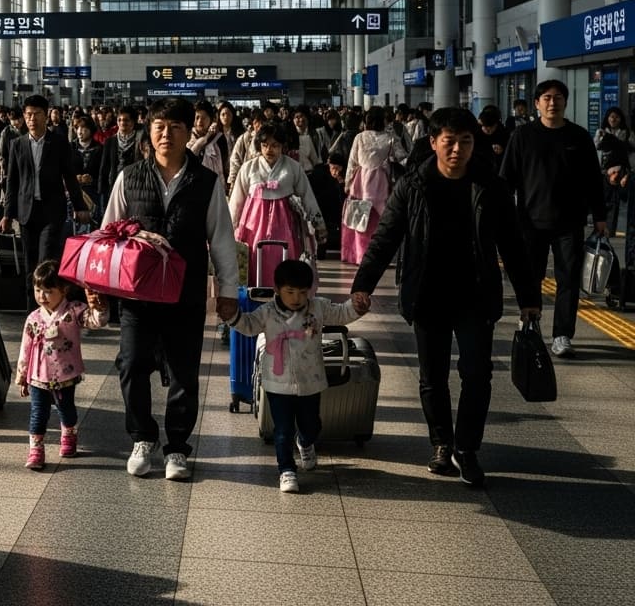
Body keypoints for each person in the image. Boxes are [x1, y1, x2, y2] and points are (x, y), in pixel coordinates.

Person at [353, 107, 541, 486]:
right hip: (428, 293)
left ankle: (467, 449)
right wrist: (363, 285)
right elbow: (386, 236)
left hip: (475, 293)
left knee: (477, 374)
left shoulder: (490, 186)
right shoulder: (413, 185)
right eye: (450, 141)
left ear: (475, 144)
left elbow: (514, 244)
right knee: (432, 377)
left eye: (466, 141)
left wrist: (528, 296)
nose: (457, 149)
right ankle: (442, 443)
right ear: (434, 142)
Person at [100, 98, 240, 480]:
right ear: (150, 132)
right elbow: (108, 232)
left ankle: (177, 446)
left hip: (186, 293)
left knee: (184, 372)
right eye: (159, 126)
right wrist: (98, 287)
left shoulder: (206, 183)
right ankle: (142, 437)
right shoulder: (129, 177)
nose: (167, 134)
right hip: (138, 296)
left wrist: (227, 291)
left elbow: (223, 241)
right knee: (131, 364)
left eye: (175, 126)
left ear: (188, 130)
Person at [226, 259, 366, 492]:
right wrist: (233, 316)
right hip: (277, 383)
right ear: (277, 290)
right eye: (290, 292)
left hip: (310, 383)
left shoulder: (318, 308)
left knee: (312, 425)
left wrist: (357, 307)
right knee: (282, 430)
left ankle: (306, 442)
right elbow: (249, 325)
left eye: (302, 292)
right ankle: (287, 470)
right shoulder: (267, 312)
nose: (296, 298)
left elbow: (341, 313)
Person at [501, 80, 607, 358]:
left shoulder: (579, 137)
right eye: (546, 98)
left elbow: (593, 180)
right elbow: (507, 179)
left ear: (565, 102)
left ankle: (562, 334)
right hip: (530, 220)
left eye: (558, 97)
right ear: (537, 103)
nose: (552, 102)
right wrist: (501, 214)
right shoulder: (522, 136)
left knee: (568, 280)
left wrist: (600, 216)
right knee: (530, 277)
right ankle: (531, 323)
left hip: (569, 222)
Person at [14, 260, 106, 470]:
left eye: (48, 291)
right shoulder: (33, 318)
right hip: (38, 376)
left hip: (65, 375)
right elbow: (25, 347)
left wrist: (98, 307)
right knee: (38, 413)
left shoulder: (73, 311)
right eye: (38, 290)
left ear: (64, 290)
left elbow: (95, 321)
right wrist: (22, 375)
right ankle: (36, 449)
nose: (41, 296)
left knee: (67, 410)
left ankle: (69, 433)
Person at [0, 95, 91, 275]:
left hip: (52, 211)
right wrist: (7, 214)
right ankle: (31, 302)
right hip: (27, 213)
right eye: (29, 114)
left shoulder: (59, 143)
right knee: (29, 264)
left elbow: (69, 176)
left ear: (46, 115)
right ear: (24, 116)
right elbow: (12, 182)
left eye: (37, 114)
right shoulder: (17, 144)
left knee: (45, 259)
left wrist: (80, 206)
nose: (32, 119)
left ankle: (47, 299)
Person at [229, 124, 326, 273]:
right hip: (253, 225)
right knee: (255, 255)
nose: (269, 150)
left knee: (284, 255)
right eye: (265, 145)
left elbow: (307, 195)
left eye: (275, 145)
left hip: (285, 223)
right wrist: (229, 226)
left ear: (282, 146)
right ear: (259, 146)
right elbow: (237, 200)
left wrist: (318, 225)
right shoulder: (248, 167)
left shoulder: (293, 167)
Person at [340, 107, 405, 265]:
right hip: (382, 181)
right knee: (383, 219)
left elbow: (352, 162)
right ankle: (383, 256)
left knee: (359, 219)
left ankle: (360, 255)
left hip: (360, 182)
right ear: (384, 120)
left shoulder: (360, 137)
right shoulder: (390, 137)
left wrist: (347, 183)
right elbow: (402, 157)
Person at [595, 107, 634, 235]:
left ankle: (619, 228)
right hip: (605, 171)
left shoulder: (627, 133)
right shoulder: (601, 132)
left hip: (622, 171)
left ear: (621, 119)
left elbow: (632, 151)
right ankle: (607, 228)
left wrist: (629, 171)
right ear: (607, 118)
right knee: (606, 200)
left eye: (616, 117)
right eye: (611, 116)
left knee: (621, 200)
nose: (613, 119)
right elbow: (596, 148)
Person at [97, 105, 143, 195]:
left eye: (126, 120)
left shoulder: (140, 141)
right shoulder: (110, 141)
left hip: (136, 187)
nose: (122, 123)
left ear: (133, 122)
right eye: (119, 120)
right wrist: (102, 189)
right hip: (114, 186)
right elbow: (104, 167)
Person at [69, 114, 103, 215]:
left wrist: (92, 179)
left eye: (83, 128)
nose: (80, 131)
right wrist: (75, 177)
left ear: (91, 130)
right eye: (78, 127)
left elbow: (103, 171)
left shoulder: (99, 149)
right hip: (74, 191)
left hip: (94, 192)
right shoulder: (70, 147)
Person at [187, 100, 229, 178]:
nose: (200, 121)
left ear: (211, 119)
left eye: (204, 118)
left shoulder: (219, 139)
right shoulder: (187, 137)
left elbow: (225, 163)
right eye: (197, 117)